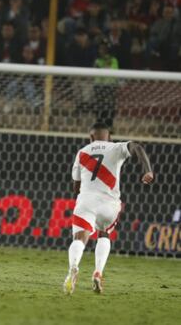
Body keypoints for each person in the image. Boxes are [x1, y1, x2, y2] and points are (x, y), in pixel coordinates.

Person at [64, 122, 153, 294]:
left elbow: (76, 188)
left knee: (79, 239)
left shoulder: (82, 151)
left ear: (91, 137)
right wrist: (147, 171)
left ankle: (73, 268)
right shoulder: (116, 147)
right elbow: (137, 147)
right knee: (104, 234)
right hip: (109, 204)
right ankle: (98, 273)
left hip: (87, 200)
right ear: (109, 137)